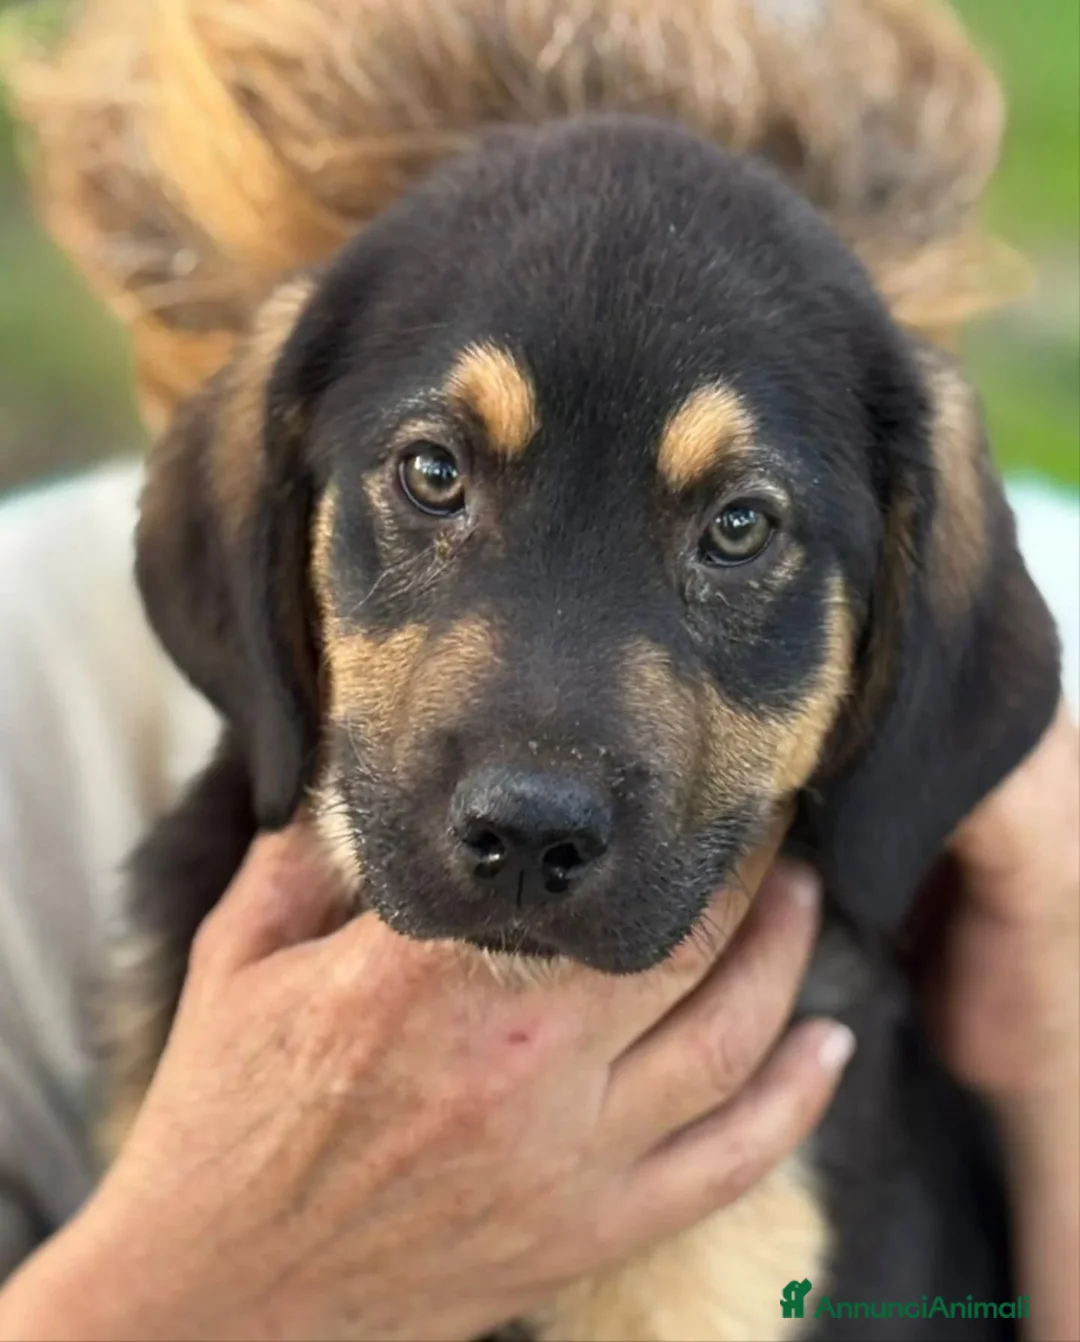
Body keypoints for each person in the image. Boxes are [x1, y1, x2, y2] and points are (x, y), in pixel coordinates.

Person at [0, 0, 1077, 1337]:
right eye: (435, 474)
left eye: (736, 527)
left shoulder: (1017, 676)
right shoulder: (27, 685)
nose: (535, 787)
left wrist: (1052, 1052)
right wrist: (190, 1283)